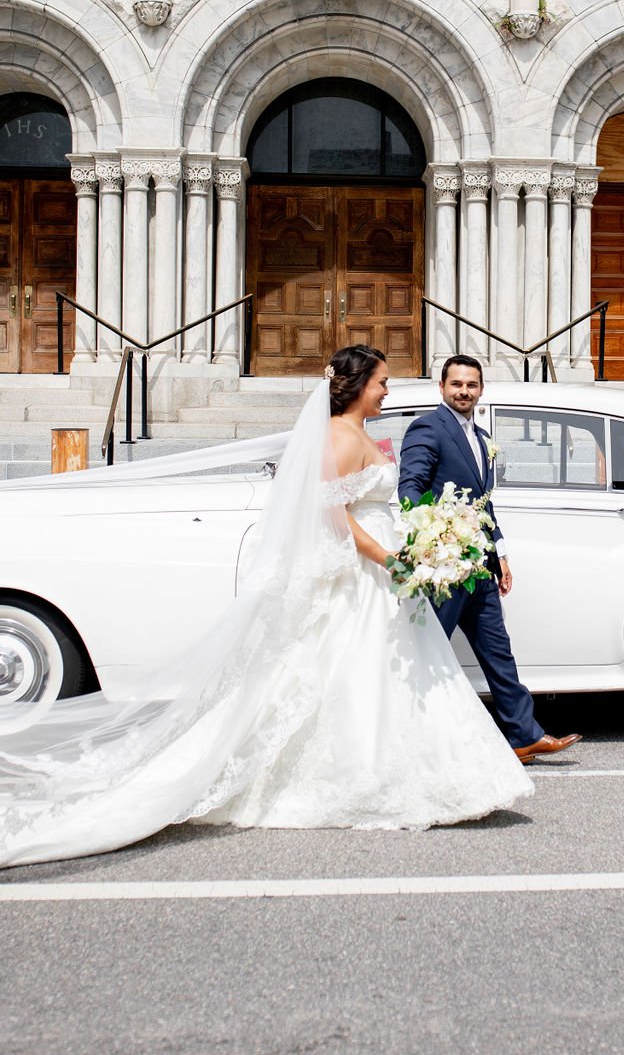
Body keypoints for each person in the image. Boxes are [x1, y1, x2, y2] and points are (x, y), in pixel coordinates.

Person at [0, 346, 532, 868]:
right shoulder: (340, 438)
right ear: (357, 387)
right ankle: (354, 773)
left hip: (376, 571)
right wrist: (387, 558)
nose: (388, 391)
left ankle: (412, 765)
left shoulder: (359, 433)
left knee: (378, 673)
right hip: (363, 570)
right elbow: (332, 514)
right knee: (350, 671)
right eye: (382, 383)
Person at [398, 354, 582, 763]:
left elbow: (483, 504)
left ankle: (523, 735)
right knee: (428, 650)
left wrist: (500, 555)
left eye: (471, 385)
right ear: (441, 387)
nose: (464, 391)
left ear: (481, 389)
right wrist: (433, 539)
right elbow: (410, 488)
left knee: (498, 651)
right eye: (456, 384)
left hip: (480, 566)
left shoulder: (481, 437)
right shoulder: (429, 427)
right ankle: (402, 733)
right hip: (446, 566)